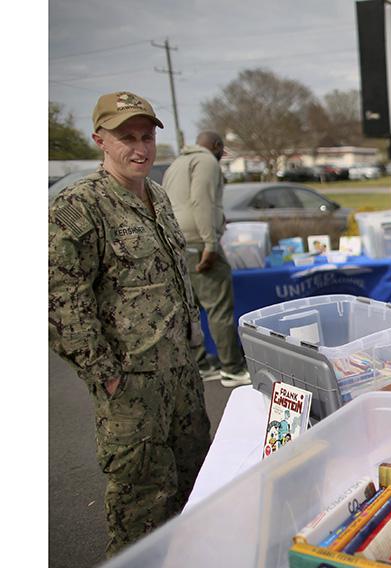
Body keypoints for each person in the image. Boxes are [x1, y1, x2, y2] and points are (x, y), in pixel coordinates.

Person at [48, 91, 212, 557]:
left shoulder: (157, 196)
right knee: (142, 507)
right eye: (126, 138)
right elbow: (59, 298)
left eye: (146, 137)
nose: (139, 148)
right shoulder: (79, 208)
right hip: (132, 390)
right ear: (100, 139)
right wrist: (105, 373)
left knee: (193, 491)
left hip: (181, 375)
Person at [163, 131, 251, 387]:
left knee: (190, 307)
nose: (222, 156)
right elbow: (202, 201)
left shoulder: (177, 163)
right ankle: (232, 369)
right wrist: (210, 243)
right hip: (199, 242)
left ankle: (202, 363)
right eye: (222, 151)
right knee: (219, 308)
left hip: (178, 241)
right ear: (215, 146)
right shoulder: (206, 161)